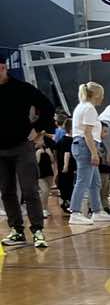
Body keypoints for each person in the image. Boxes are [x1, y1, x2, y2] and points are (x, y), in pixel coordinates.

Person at [0, 53, 53, 250]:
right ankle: (16, 230)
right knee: (6, 191)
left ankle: (37, 230)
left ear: (3, 68)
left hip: (22, 146)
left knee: (29, 189)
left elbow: (47, 107)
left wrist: (38, 130)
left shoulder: (22, 88)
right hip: (0, 150)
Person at [69, 81, 110, 227]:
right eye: (102, 95)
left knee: (95, 182)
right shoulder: (89, 109)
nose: (103, 98)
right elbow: (87, 133)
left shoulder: (83, 107)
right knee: (83, 181)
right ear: (96, 95)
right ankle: (75, 212)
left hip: (85, 145)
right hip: (86, 146)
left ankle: (97, 211)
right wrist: (94, 153)